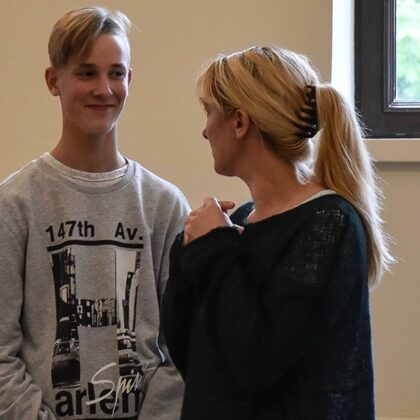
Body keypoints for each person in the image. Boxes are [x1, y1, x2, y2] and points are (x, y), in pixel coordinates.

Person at [161, 46, 394, 419]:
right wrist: (189, 247)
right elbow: (195, 354)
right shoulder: (243, 220)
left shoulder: (328, 223)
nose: (204, 131)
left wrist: (215, 248)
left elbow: (256, 360)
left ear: (240, 122)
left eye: (209, 112)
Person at [0, 7, 189, 419]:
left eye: (116, 73)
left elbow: (182, 347)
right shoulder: (14, 204)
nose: (104, 89)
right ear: (54, 80)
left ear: (129, 80)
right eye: (86, 73)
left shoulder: (165, 204)